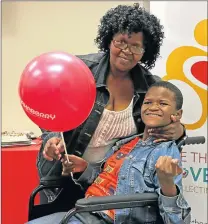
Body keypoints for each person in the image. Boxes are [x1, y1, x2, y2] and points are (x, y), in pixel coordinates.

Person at [37, 3, 185, 204]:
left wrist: (180, 131)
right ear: (108, 40)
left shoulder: (150, 86)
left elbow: (165, 128)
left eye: (136, 46)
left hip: (112, 184)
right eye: (121, 42)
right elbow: (48, 109)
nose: (127, 50)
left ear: (145, 50)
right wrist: (52, 139)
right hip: (63, 176)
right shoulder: (80, 71)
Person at [28, 81, 191, 224]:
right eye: (148, 102)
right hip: (83, 213)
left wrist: (168, 185)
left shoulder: (165, 153)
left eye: (163, 103)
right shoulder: (129, 142)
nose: (153, 107)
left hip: (103, 218)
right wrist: (85, 169)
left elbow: (178, 221)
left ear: (177, 114)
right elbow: (109, 181)